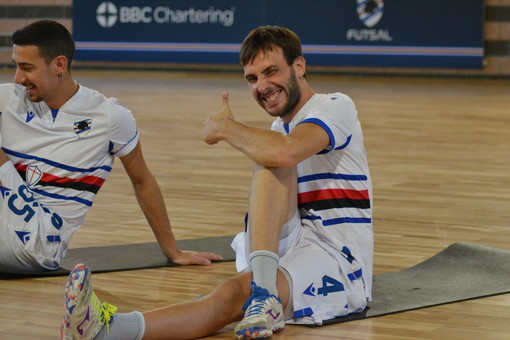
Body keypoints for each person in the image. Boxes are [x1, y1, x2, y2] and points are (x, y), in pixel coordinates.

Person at [60, 25, 373, 340]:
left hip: (338, 262)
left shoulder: (336, 106)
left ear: (299, 66)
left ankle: (112, 331)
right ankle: (100, 331)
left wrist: (226, 128)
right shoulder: (279, 127)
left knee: (232, 294)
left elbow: (285, 152)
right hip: (294, 241)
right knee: (271, 153)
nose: (262, 86)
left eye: (271, 72)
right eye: (252, 78)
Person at [0, 20, 223, 274]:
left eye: (26, 68)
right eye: (15, 66)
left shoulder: (108, 116)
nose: (18, 78)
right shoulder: (8, 99)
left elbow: (143, 180)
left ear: (59, 65)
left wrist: (172, 250)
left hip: (38, 243)